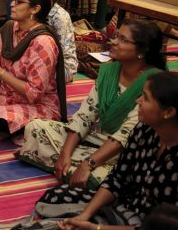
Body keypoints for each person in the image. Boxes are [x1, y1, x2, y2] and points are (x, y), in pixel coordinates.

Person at [17, 19, 165, 189]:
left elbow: (125, 135)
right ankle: (72, 169)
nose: (113, 42)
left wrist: (88, 164)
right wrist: (65, 154)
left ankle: (82, 171)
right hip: (93, 138)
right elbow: (84, 116)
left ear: (142, 51)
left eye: (123, 40)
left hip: (122, 151)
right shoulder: (109, 72)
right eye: (116, 36)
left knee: (111, 176)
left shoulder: (152, 83)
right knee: (35, 127)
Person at [40, 71, 178, 230]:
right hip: (124, 208)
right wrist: (85, 215)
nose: (138, 101)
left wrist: (97, 228)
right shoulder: (144, 130)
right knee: (55, 196)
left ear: (168, 112)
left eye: (145, 98)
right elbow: (117, 178)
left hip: (152, 226)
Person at [0, 0, 65, 143]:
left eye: (19, 1)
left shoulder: (43, 42)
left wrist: (0, 73)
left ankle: (11, 129)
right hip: (6, 96)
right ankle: (8, 130)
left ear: (35, 9)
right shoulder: (9, 29)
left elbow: (34, 93)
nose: (11, 4)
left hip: (36, 106)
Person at [35, 0, 78, 82]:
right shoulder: (36, 9)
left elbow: (60, 51)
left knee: (31, 75)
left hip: (62, 66)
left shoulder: (60, 17)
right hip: (40, 58)